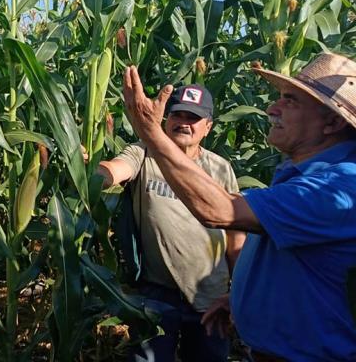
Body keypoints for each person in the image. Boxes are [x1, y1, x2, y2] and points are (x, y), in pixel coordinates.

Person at [121, 52, 356, 361]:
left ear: (333, 121)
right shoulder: (305, 177)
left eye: (290, 101)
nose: (272, 108)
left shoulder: (338, 187)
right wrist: (242, 297)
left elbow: (219, 210)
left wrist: (150, 131)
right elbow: (300, 264)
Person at [94, 85, 245, 362]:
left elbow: (235, 234)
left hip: (210, 295)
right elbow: (113, 171)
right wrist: (90, 168)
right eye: (178, 115)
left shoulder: (220, 168)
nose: (184, 123)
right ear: (166, 119)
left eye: (193, 118)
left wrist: (238, 291)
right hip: (156, 293)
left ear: (208, 127)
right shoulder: (144, 153)